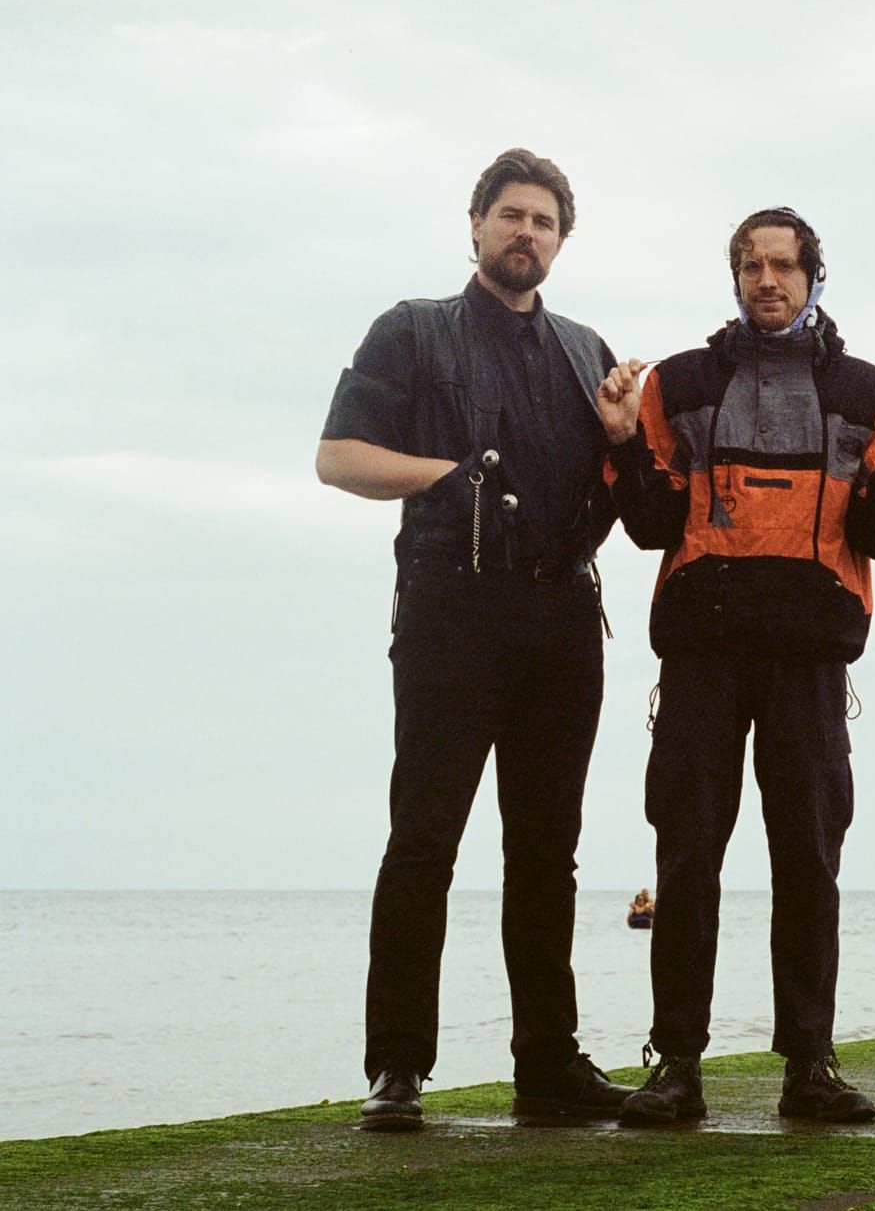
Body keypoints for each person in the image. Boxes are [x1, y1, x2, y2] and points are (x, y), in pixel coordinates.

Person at [316, 148, 642, 1131]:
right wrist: (443, 475)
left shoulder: (588, 351)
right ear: (474, 225)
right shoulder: (411, 332)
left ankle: (546, 1062)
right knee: (425, 838)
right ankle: (398, 1069)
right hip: (452, 607)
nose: (525, 233)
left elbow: (634, 499)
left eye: (543, 222)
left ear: (559, 240)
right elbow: (336, 458)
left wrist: (627, 440)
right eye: (510, 215)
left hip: (563, 617)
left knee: (549, 851)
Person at [597, 208, 875, 1125]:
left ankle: (809, 1067)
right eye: (750, 266)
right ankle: (676, 1069)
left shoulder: (867, 393)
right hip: (703, 655)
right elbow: (653, 525)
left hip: (810, 662)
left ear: (815, 277)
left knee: (809, 862)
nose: (767, 281)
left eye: (784, 266)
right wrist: (623, 437)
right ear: (733, 277)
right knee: (687, 856)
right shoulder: (681, 383)